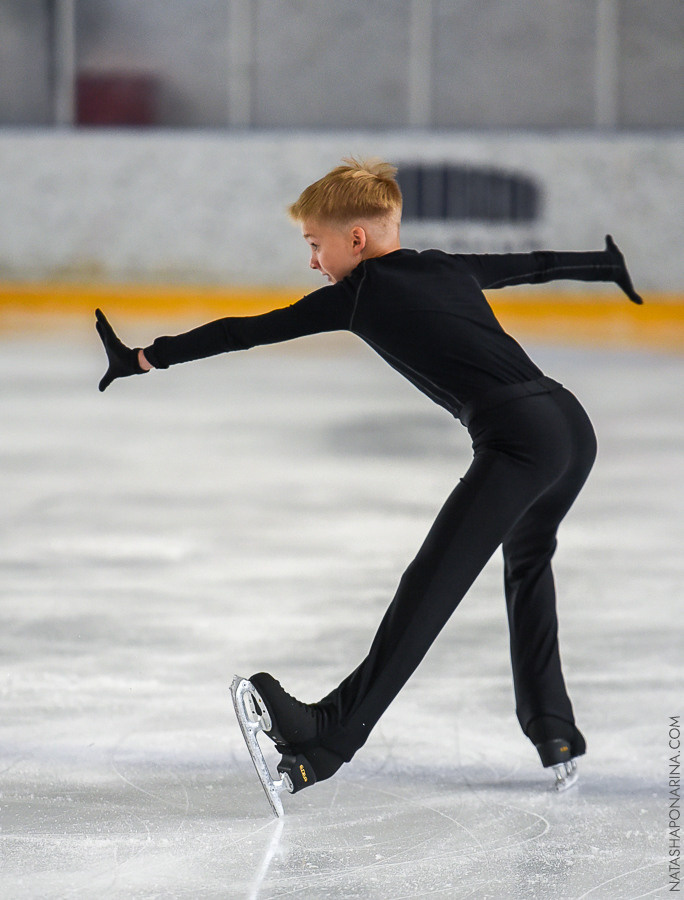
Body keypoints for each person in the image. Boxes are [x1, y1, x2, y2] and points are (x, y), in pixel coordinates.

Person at [96, 157, 643, 795]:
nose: (311, 262)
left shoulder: (360, 293)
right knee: (526, 565)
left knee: (431, 585)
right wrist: (606, 264)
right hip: (570, 429)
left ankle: (328, 739)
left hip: (520, 439)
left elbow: (245, 332)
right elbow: (537, 265)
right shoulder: (445, 264)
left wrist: (144, 357)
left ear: (355, 239)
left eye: (314, 245)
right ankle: (554, 731)